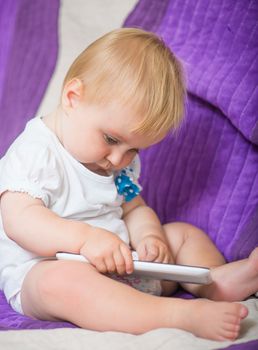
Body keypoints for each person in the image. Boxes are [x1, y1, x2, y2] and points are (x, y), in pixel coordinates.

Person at [0, 28, 257, 341]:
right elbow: (20, 220)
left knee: (183, 234)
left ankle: (215, 280)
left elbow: (134, 207)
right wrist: (84, 240)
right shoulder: (37, 152)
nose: (119, 159)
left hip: (126, 265)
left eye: (134, 149)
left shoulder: (117, 160)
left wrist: (150, 237)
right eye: (111, 139)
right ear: (73, 98)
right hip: (47, 270)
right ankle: (180, 315)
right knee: (60, 283)